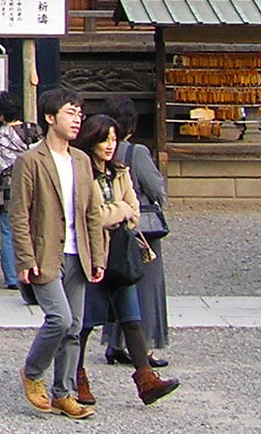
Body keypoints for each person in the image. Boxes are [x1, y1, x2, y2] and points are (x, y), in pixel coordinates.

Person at [69, 115, 179, 408]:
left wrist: (112, 211)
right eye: (104, 139)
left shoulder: (120, 171)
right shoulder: (81, 173)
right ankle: (76, 375)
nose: (110, 145)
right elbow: (93, 215)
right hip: (92, 253)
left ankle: (146, 378)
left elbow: (133, 210)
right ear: (91, 141)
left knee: (132, 318)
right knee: (87, 321)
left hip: (119, 250)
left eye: (114, 139)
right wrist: (115, 212)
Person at [9, 87, 105, 420]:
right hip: (46, 253)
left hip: (80, 255)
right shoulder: (29, 161)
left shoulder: (81, 160)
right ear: (51, 118)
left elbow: (92, 211)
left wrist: (98, 256)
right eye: (70, 112)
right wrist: (24, 258)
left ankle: (63, 392)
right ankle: (33, 372)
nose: (77, 120)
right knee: (59, 319)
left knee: (75, 326)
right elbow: (19, 212)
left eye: (80, 113)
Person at [100, 96, 169, 366]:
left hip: (108, 228)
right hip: (138, 228)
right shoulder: (135, 152)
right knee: (146, 285)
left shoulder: (94, 152)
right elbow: (156, 190)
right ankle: (145, 348)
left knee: (117, 283)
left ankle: (115, 343)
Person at [0, 90, 36, 290]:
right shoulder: (35, 131)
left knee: (8, 231)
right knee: (33, 228)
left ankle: (12, 278)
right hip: (34, 184)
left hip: (9, 186)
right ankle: (34, 270)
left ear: (0, 114)